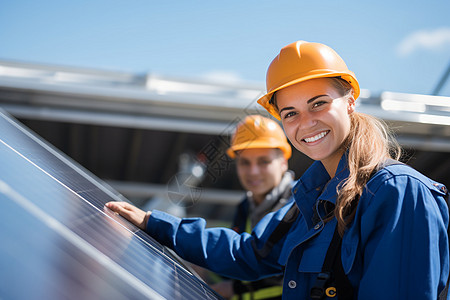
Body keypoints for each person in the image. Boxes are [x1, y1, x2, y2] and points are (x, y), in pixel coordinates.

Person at [106, 40, 449, 299]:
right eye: (291, 113)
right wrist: (156, 224)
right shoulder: (312, 200)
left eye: (319, 103)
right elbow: (251, 253)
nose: (307, 123)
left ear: (350, 101)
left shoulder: (398, 192)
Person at [210, 114, 294, 300]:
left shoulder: (301, 204)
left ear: (283, 163)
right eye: (245, 162)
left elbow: (295, 271)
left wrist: (235, 289)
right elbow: (243, 264)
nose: (253, 171)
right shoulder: (245, 207)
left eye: (264, 162)